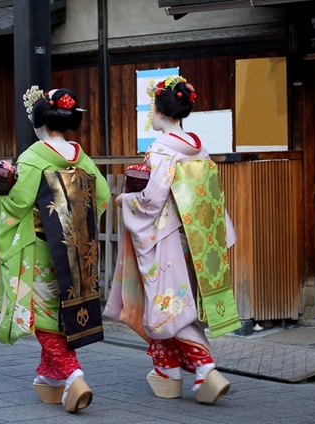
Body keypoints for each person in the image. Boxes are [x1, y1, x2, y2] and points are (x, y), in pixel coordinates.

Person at [104, 76, 241, 404]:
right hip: (195, 236)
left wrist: (126, 201)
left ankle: (205, 367)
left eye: (152, 107)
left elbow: (152, 198)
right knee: (170, 301)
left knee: (169, 305)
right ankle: (167, 369)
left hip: (164, 236)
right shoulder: (197, 146)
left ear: (161, 112)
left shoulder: (163, 148)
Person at [0, 87, 111, 413]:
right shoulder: (81, 157)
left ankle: (74, 377)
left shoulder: (34, 157)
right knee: (60, 314)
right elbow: (104, 195)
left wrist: (1, 192)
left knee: (42, 317)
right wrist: (77, 225)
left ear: (38, 121)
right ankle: (50, 380)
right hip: (73, 248)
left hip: (41, 250)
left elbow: (19, 202)